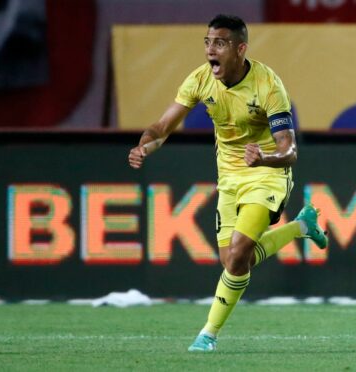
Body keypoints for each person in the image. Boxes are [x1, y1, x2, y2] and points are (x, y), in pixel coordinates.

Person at [128, 14, 328, 352]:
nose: (210, 50)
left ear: (240, 48)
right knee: (236, 262)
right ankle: (300, 227)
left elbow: (289, 150)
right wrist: (144, 144)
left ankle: (207, 335)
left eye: (219, 43)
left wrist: (263, 158)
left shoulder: (268, 85)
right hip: (229, 176)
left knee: (236, 257)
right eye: (207, 42)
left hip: (267, 173)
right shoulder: (199, 80)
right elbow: (163, 126)